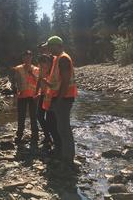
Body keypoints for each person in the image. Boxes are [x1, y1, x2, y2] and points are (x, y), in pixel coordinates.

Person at [41, 36, 78, 169]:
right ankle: (64, 154)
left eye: (50, 46)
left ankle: (68, 158)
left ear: (57, 45)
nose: (49, 50)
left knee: (64, 128)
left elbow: (66, 81)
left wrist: (60, 100)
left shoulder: (63, 59)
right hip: (60, 97)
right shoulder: (58, 58)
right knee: (60, 127)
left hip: (64, 98)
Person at [13, 50, 39, 144]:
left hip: (33, 96)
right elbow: (14, 81)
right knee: (21, 116)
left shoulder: (36, 69)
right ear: (23, 58)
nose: (27, 58)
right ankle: (19, 135)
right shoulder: (18, 68)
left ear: (31, 57)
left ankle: (35, 135)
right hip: (22, 95)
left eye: (29, 56)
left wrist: (31, 73)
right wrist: (15, 92)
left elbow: (38, 81)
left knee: (33, 116)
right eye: (25, 57)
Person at [36, 54, 60, 151]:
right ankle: (47, 136)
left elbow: (54, 85)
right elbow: (39, 80)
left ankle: (56, 142)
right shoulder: (41, 69)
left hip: (51, 96)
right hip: (43, 95)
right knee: (39, 116)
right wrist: (36, 92)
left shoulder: (53, 70)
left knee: (51, 120)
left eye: (45, 62)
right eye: (41, 63)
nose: (43, 64)